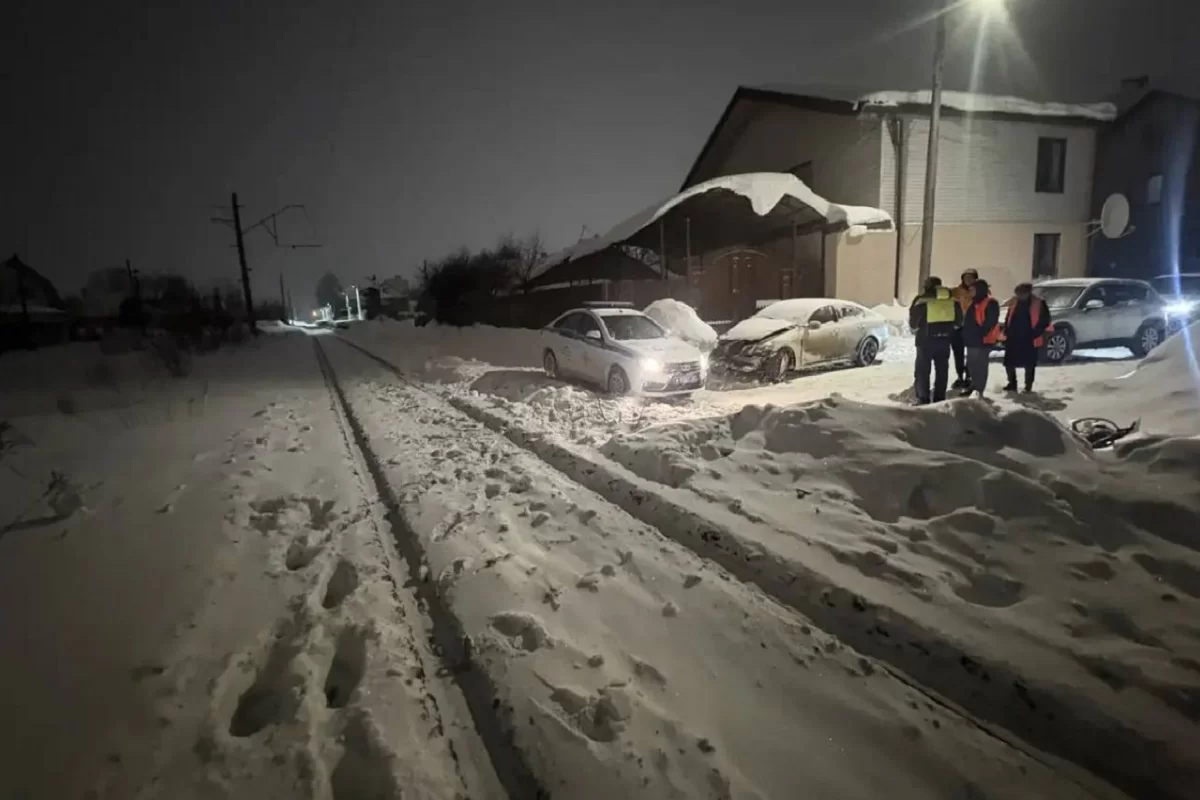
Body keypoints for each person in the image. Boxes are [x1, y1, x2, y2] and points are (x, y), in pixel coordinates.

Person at [908, 276, 961, 404]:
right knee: (942, 370)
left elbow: (914, 321)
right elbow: (959, 321)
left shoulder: (921, 300)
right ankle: (939, 398)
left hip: (925, 340)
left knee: (923, 370)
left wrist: (915, 328)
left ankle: (923, 397)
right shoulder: (952, 300)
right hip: (944, 341)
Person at [1002, 282, 1051, 392]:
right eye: (1017, 293)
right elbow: (1009, 316)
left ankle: (1028, 386)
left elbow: (1045, 320)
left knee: (1029, 363)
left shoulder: (1038, 303)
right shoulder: (1014, 302)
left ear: (1028, 293)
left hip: (1030, 337)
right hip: (1013, 336)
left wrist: (1035, 333)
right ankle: (1012, 383)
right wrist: (1006, 330)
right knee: (1009, 363)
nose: (1019, 296)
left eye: (1021, 293)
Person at [961, 278, 1001, 398]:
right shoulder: (973, 303)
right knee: (972, 365)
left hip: (983, 340)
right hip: (972, 340)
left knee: (980, 366)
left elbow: (990, 322)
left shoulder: (991, 303)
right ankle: (974, 386)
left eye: (973, 289)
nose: (970, 292)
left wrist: (980, 334)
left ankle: (979, 390)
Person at [950, 269, 979, 390]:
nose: (968, 280)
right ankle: (960, 376)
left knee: (972, 353)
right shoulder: (956, 291)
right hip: (958, 326)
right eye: (966, 277)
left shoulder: (980, 291)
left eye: (970, 277)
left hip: (973, 326)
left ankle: (969, 376)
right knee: (958, 352)